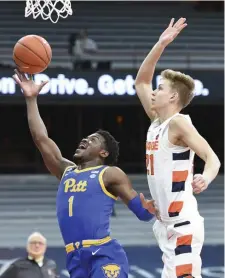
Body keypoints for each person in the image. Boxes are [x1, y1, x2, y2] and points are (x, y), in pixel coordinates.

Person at [12, 69, 160, 278]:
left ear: (103, 152)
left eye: (93, 140)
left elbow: (143, 213)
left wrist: (151, 207)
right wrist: (31, 99)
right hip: (74, 257)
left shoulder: (110, 174)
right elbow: (41, 139)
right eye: (86, 138)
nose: (85, 140)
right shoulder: (66, 171)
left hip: (103, 253)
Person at [135, 17, 220, 278]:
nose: (153, 92)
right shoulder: (157, 122)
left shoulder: (178, 123)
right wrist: (160, 44)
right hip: (166, 224)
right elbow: (141, 82)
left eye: (160, 88)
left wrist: (205, 178)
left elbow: (212, 157)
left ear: (173, 96)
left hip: (182, 224)